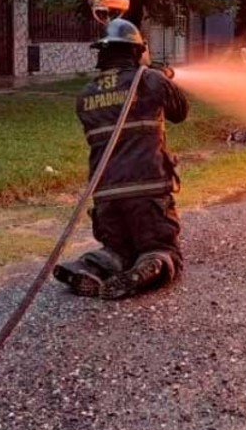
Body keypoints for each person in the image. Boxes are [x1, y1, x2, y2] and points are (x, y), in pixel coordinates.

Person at [53, 18, 190, 299]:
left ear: (102, 53)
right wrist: (159, 75)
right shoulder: (150, 80)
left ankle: (88, 267)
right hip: (147, 194)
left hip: (106, 199)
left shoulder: (86, 95)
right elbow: (180, 112)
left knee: (117, 250)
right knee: (161, 248)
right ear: (137, 51)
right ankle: (149, 267)